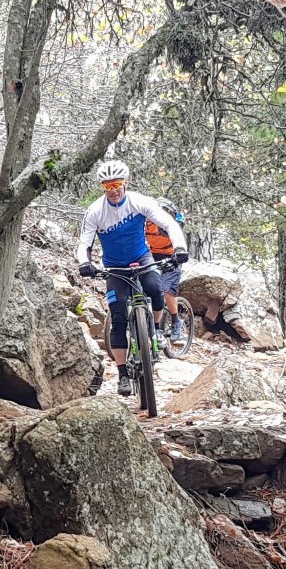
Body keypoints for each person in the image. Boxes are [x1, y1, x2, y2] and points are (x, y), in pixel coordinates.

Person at [74, 160, 187, 397]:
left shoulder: (139, 202)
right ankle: (123, 374)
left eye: (116, 184)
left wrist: (179, 248)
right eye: (107, 186)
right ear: (103, 188)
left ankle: (155, 328)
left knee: (155, 289)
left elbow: (169, 223)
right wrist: (85, 262)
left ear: (125, 183)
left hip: (142, 257)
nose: (113, 190)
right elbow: (85, 242)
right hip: (115, 266)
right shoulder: (95, 211)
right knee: (118, 317)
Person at [145, 196, 188, 342]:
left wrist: (179, 254)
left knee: (166, 292)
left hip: (171, 258)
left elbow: (178, 238)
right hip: (151, 256)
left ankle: (176, 322)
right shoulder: (146, 222)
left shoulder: (170, 223)